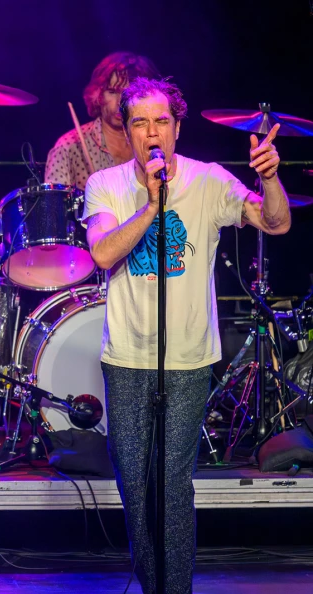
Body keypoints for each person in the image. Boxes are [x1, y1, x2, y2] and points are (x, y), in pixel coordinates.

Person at [82, 77, 290, 593]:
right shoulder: (105, 184)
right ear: (126, 131)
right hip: (128, 358)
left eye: (161, 121)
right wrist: (152, 205)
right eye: (139, 122)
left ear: (176, 127)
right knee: (136, 487)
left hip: (190, 359)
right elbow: (103, 253)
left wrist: (269, 179)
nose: (151, 132)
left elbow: (276, 222)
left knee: (173, 488)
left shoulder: (210, 179)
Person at [45, 52, 161, 191]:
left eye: (129, 94)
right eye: (112, 92)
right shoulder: (69, 146)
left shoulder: (153, 141)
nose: (120, 102)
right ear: (97, 95)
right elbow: (53, 209)